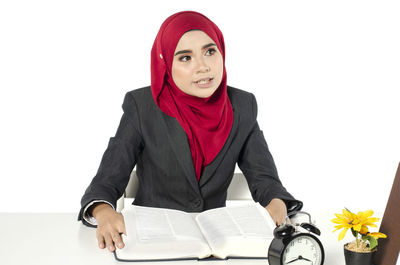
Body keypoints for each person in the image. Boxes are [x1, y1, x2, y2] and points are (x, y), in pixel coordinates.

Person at [78, 11, 303, 253]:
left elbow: (264, 178)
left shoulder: (243, 106)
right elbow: (107, 179)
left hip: (217, 244)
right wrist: (104, 212)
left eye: (210, 51)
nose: (203, 67)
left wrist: (276, 202)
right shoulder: (142, 106)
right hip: (153, 243)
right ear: (165, 63)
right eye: (185, 58)